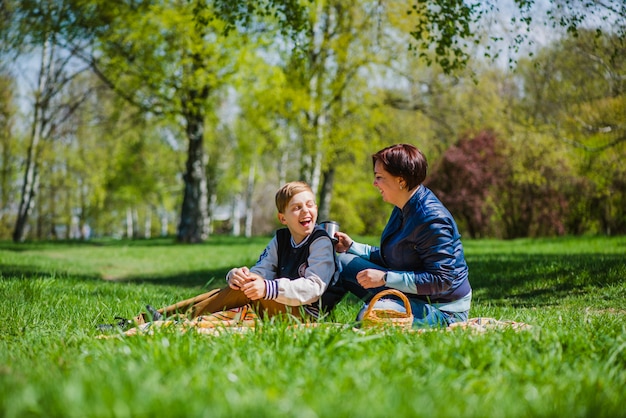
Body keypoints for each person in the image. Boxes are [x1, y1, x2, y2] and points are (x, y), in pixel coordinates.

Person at [125, 181, 339, 326]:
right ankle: (150, 319)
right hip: (282, 304)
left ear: (316, 209)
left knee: (249, 291)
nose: (305, 211)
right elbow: (261, 271)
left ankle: (170, 321)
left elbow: (314, 288)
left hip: (306, 315)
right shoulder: (281, 239)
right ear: (282, 218)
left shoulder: (320, 242)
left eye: (310, 205)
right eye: (297, 207)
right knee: (243, 286)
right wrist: (238, 276)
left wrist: (268, 287)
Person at [322, 144, 471, 328]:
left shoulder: (431, 219)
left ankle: (387, 309)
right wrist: (352, 246)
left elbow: (442, 279)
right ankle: (315, 315)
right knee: (342, 261)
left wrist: (385, 278)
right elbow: (397, 257)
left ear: (401, 181)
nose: (374, 183)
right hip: (416, 293)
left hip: (443, 308)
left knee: (369, 317)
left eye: (379, 177)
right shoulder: (403, 206)